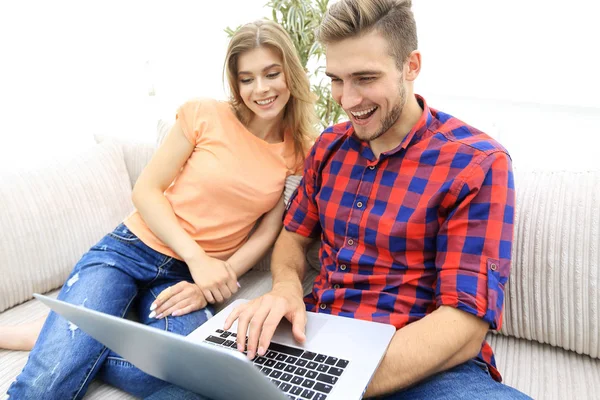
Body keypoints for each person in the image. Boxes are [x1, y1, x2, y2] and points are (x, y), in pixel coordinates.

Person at [146, 0, 532, 399]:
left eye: (365, 78)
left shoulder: (477, 164)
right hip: (315, 341)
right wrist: (285, 288)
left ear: (411, 66)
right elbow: (292, 239)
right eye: (336, 79)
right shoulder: (329, 147)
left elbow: (464, 327)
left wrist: (340, 387)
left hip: (419, 365)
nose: (347, 100)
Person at [5, 19, 316, 399]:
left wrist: (214, 281)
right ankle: (68, 340)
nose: (261, 89)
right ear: (235, 82)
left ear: (291, 74)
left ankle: (74, 339)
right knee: (47, 383)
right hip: (128, 251)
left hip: (185, 279)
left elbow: (270, 231)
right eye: (247, 78)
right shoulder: (204, 113)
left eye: (272, 74)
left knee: (196, 377)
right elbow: (146, 190)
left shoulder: (300, 150)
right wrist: (198, 257)